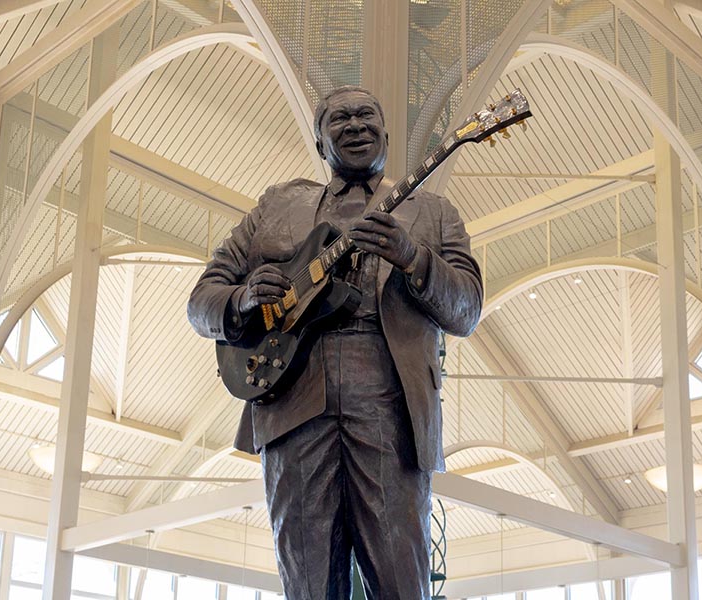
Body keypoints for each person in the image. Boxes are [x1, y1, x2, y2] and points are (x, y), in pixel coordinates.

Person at [187, 86, 482, 599]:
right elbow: (201, 301)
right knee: (308, 584)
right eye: (339, 118)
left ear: (386, 133)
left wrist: (414, 257)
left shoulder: (433, 213)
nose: (355, 125)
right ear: (321, 143)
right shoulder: (276, 206)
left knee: (401, 582)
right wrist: (242, 298)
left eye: (366, 115)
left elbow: (468, 308)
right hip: (293, 403)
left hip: (390, 408)